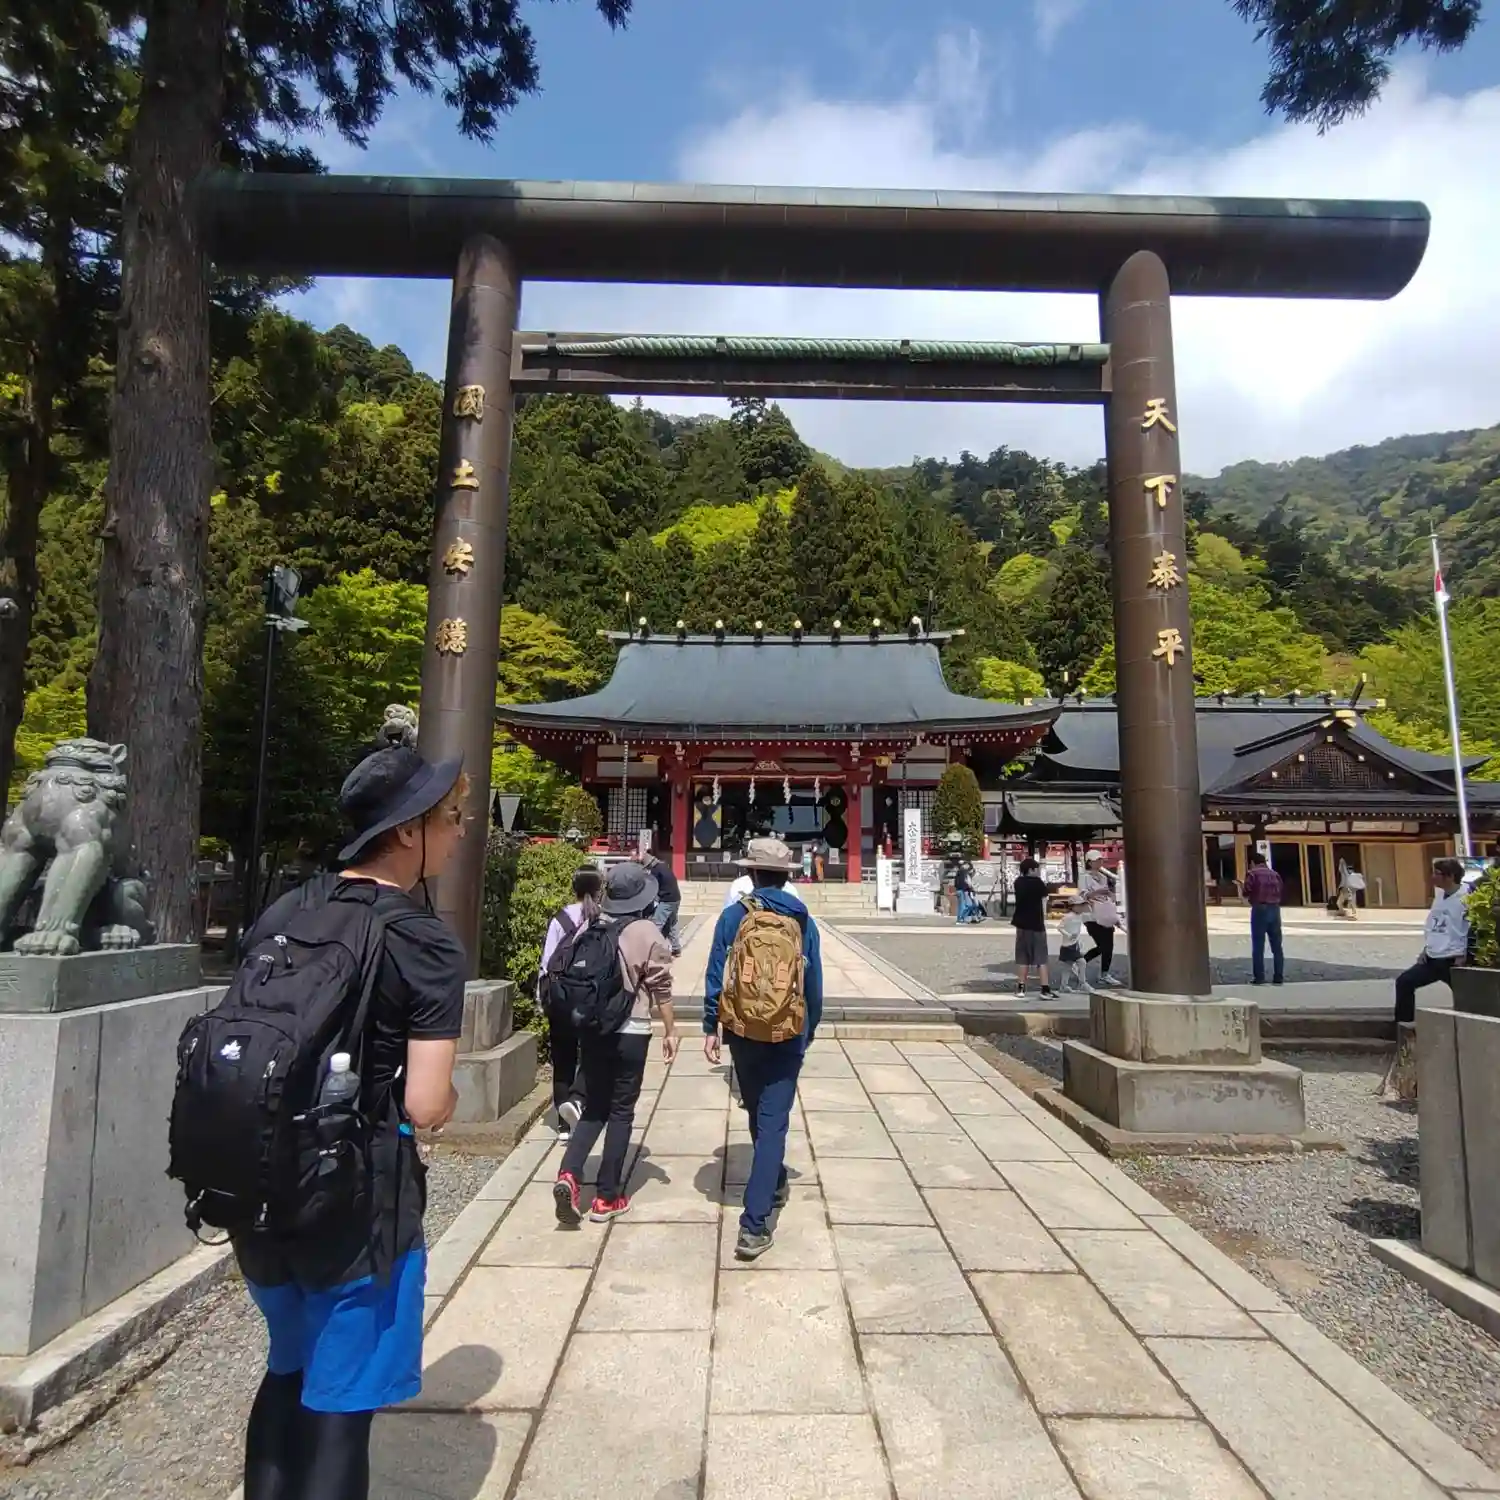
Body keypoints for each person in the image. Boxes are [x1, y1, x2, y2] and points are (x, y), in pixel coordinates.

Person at [236, 746, 469, 1500]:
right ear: (407, 832)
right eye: (450, 816)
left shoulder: (286, 909)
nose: (460, 830)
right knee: (341, 1407)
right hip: (354, 1198)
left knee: (287, 1369)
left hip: (254, 1181)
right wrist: (444, 1099)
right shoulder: (422, 940)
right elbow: (425, 1106)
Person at [704, 837, 824, 1262]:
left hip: (742, 1030)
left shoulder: (733, 916)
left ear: (751, 873)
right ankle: (755, 1224)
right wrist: (810, 1026)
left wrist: (711, 1026)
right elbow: (813, 982)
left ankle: (769, 1184)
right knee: (773, 1123)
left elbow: (716, 974)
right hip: (788, 1031)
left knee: (757, 1110)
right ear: (785, 876)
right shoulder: (802, 919)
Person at [554, 862, 677, 1225]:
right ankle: (607, 1197)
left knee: (595, 1106)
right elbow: (661, 986)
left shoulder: (593, 924)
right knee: (621, 1111)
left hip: (594, 1028)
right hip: (632, 1030)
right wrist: (670, 1030)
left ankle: (569, 1173)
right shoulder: (647, 931)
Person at [539, 865, 604, 1139]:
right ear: (599, 890)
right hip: (592, 997)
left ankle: (563, 1124)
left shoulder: (560, 919)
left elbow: (547, 963)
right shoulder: (603, 919)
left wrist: (542, 999)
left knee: (563, 1059)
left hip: (561, 997)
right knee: (592, 1054)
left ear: (574, 888)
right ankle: (583, 1108)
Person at [1393, 857, 1471, 1027]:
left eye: (1437, 873)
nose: (1433, 877)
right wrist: (1426, 949)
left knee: (1466, 997)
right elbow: (1433, 924)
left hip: (1453, 957)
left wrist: (1465, 953)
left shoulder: (1467, 897)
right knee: (1405, 982)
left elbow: (1471, 927)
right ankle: (1404, 1025)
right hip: (1433, 956)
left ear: (1450, 876)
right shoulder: (1440, 896)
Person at [1010, 857, 1054, 999]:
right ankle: (1045, 989)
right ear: (1031, 870)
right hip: (1036, 924)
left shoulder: (1018, 882)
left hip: (1021, 923)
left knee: (1023, 957)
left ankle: (1021, 987)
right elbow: (1045, 897)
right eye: (1036, 869)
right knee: (1041, 957)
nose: (1038, 872)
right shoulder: (1038, 883)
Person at [1079, 849, 1123, 988]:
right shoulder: (1084, 877)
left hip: (1105, 914)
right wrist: (1097, 892)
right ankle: (1082, 962)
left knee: (1108, 946)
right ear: (1089, 862)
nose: (1099, 862)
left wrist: (1110, 895)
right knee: (1103, 945)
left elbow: (1106, 894)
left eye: (1100, 860)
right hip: (1091, 915)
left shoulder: (1103, 877)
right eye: (1096, 860)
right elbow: (1083, 895)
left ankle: (1104, 973)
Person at [1243, 850, 1285, 987]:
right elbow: (1281, 890)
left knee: (1258, 945)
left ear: (1252, 862)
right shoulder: (1275, 874)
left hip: (1259, 908)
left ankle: (1259, 977)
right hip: (1275, 908)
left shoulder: (1252, 873)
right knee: (1277, 946)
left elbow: (1246, 891)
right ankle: (1278, 976)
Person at [641, 852, 683, 957]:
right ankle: (676, 948)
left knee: (657, 924)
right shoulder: (664, 866)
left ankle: (653, 950)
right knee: (672, 923)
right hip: (676, 898)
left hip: (667, 900)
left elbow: (653, 888)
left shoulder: (655, 871)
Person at [1055, 897, 1087, 992]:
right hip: (1067, 946)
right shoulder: (1068, 917)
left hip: (1073, 945)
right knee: (1081, 962)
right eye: (1078, 905)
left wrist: (1078, 941)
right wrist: (1069, 935)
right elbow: (1059, 927)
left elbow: (1077, 930)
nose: (1081, 907)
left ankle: (1063, 986)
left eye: (1082, 905)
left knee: (1068, 967)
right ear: (1072, 906)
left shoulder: (1080, 916)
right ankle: (1082, 983)